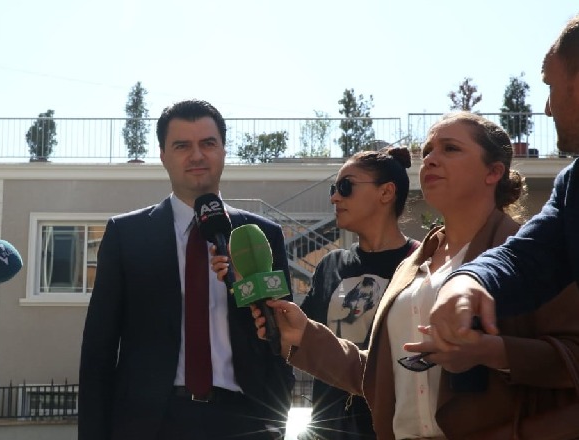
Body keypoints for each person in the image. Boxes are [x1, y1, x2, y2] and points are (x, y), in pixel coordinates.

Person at [226, 112, 579, 439]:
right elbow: (382, 377)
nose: (430, 159)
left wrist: (491, 352)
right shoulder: (411, 267)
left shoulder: (533, 255)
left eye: (450, 148)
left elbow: (573, 354)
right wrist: (304, 335)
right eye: (427, 151)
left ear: (494, 172)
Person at [79, 99, 294, 440]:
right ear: (163, 155)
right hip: (152, 423)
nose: (197, 156)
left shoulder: (260, 235)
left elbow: (283, 338)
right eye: (182, 146)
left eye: (208, 143)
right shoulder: (127, 235)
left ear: (223, 151)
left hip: (245, 421)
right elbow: (98, 349)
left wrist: (277, 420)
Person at [428, 13, 579, 352]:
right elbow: (525, 259)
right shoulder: (572, 187)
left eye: (550, 86)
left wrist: (501, 355)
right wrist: (468, 280)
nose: (547, 109)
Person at [297, 147, 419, 439]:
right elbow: (303, 338)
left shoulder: (421, 264)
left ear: (386, 193)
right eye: (333, 189)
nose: (335, 198)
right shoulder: (330, 264)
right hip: (328, 428)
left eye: (346, 186)